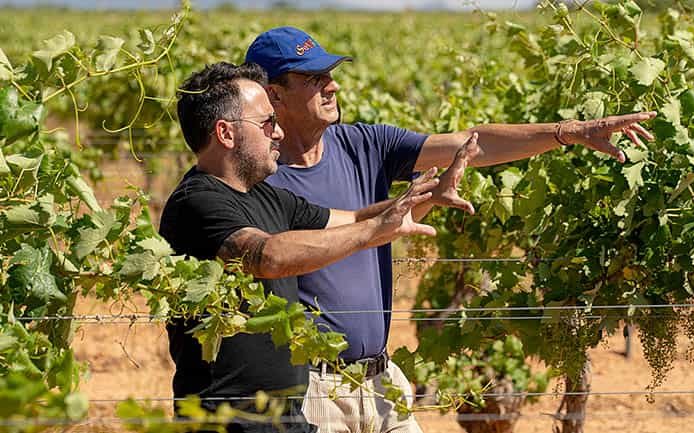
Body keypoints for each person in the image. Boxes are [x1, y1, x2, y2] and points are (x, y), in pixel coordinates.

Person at [244, 26, 657, 433]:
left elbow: (472, 143)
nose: (331, 86)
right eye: (314, 78)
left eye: (330, 74)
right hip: (310, 389)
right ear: (274, 95)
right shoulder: (255, 177)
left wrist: (568, 132)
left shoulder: (361, 144)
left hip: (379, 381)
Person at [158, 62, 478, 433]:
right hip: (228, 424)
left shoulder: (268, 197)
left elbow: (352, 219)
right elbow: (267, 256)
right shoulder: (197, 202)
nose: (278, 133)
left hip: (286, 420)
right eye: (266, 124)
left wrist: (421, 198)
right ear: (226, 133)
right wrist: (376, 229)